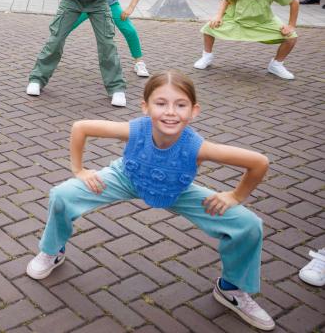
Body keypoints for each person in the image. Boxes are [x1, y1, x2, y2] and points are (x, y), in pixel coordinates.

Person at [25, 72, 275, 332]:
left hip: (177, 191)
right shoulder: (134, 130)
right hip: (125, 178)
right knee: (62, 195)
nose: (170, 112)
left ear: (194, 111)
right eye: (160, 103)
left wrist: (235, 196)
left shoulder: (198, 146)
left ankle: (231, 288)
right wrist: (79, 170)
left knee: (248, 224)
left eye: (180, 105)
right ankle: (53, 250)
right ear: (145, 107)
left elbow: (258, 162)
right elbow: (81, 127)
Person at [194, 0, 299, 80]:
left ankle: (276, 65)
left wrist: (291, 25)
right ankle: (207, 56)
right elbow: (226, 0)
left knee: (292, 37)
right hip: (236, 21)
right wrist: (218, 16)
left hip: (263, 23)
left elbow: (294, 2)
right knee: (209, 27)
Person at [71, 0, 150, 77]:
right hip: (88, 6)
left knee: (130, 31)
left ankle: (139, 62)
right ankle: (49, 55)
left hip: (111, 5)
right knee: (64, 26)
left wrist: (131, 7)